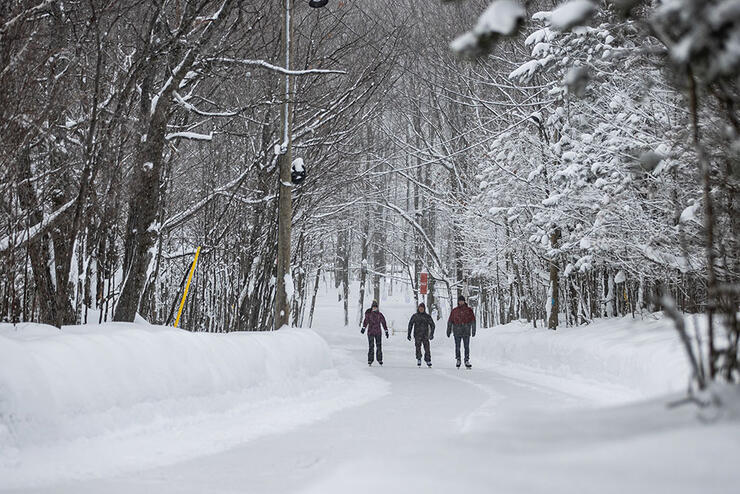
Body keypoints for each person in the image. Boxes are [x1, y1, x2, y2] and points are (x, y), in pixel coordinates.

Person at [447, 295, 476, 369]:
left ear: (464, 301)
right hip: (457, 331)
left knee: (466, 347)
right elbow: (450, 321)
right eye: (459, 301)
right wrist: (448, 330)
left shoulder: (469, 310)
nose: (461, 302)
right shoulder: (454, 310)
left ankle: (466, 360)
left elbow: (473, 320)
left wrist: (473, 330)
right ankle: (458, 359)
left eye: (462, 301)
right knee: (457, 346)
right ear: (458, 302)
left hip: (466, 331)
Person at [407, 302, 435, 367]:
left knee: (427, 348)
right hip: (417, 335)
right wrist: (409, 334)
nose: (421, 309)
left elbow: (432, 325)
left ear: (424, 309)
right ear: (418, 308)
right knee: (418, 348)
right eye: (420, 308)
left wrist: (431, 334)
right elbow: (410, 324)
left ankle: (428, 360)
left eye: (422, 308)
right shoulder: (415, 316)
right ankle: (419, 358)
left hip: (425, 335)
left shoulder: (427, 316)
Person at [361, 300, 389, 366]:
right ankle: (370, 360)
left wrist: (386, 331)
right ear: (372, 307)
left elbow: (383, 322)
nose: (374, 308)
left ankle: (379, 359)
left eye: (376, 307)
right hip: (370, 332)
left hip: (378, 332)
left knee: (379, 346)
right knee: (371, 346)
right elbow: (366, 321)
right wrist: (363, 328)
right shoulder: (369, 314)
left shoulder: (380, 314)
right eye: (373, 307)